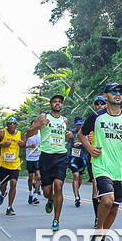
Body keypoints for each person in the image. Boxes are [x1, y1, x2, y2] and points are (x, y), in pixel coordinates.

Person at [78, 83, 122, 241]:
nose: (118, 94)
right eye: (114, 91)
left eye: (120, 92)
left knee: (115, 206)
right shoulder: (96, 117)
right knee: (107, 200)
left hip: (120, 169)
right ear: (106, 95)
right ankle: (98, 232)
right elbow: (81, 134)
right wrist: (90, 148)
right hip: (101, 165)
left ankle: (102, 236)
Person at [28, 93, 72, 231]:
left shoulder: (64, 120)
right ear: (50, 104)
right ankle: (50, 199)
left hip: (61, 156)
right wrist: (38, 126)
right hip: (46, 157)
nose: (57, 103)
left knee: (58, 186)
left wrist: (69, 137)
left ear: (62, 105)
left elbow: (65, 140)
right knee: (47, 192)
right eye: (55, 101)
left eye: (60, 102)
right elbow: (28, 133)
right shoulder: (43, 117)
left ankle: (56, 220)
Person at [0, 116, 27, 215]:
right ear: (7, 125)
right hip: (4, 164)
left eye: (13, 123)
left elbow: (24, 145)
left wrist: (23, 144)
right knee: (3, 185)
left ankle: (10, 207)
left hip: (15, 164)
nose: (12, 125)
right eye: (10, 123)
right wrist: (2, 145)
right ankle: (3, 193)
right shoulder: (2, 132)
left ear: (16, 125)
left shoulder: (20, 134)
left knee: (13, 183)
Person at [88, 95, 106, 226]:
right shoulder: (91, 121)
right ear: (94, 106)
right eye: (97, 104)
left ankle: (104, 215)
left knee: (108, 194)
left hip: (111, 160)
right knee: (95, 187)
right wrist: (87, 143)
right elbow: (82, 136)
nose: (100, 106)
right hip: (95, 160)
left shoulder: (112, 119)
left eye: (102, 104)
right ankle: (97, 218)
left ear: (106, 105)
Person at [67, 117, 87, 207]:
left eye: (80, 124)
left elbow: (88, 142)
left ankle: (76, 192)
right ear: (75, 124)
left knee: (80, 179)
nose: (79, 126)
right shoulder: (71, 132)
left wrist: (81, 143)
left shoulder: (85, 132)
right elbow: (66, 141)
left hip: (82, 157)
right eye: (77, 124)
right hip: (73, 157)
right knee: (76, 175)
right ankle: (76, 197)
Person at [25, 123, 41, 204]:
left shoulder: (41, 133)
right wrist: (30, 146)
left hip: (38, 157)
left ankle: (35, 196)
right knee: (31, 177)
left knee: (38, 176)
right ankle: (30, 193)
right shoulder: (27, 134)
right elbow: (22, 145)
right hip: (30, 158)